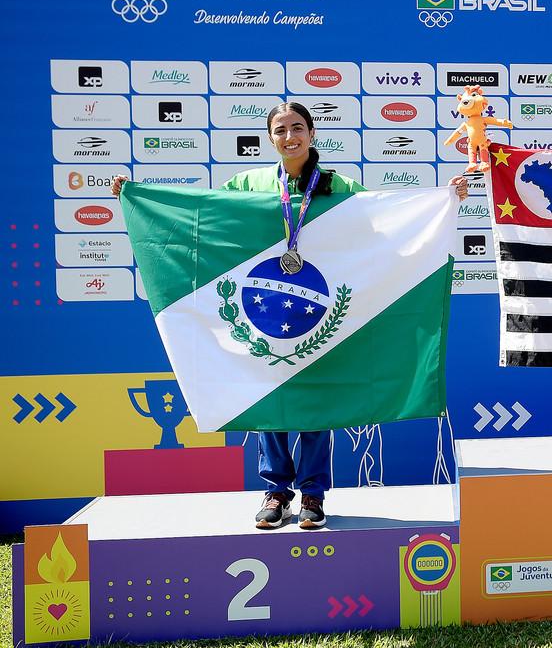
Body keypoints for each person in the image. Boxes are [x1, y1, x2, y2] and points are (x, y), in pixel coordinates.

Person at [113, 102, 468, 529]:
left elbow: (384, 221)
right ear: (270, 138)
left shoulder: (339, 185)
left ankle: (314, 495)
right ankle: (276, 492)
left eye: (297, 128)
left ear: (312, 133)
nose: (289, 137)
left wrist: (443, 200)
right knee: (268, 400)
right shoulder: (248, 183)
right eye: (280, 130)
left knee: (319, 403)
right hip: (264, 313)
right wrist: (137, 198)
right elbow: (202, 218)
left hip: (321, 314)